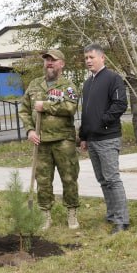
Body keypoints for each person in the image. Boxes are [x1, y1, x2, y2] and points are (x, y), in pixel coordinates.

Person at [19, 48, 81, 230]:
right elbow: (23, 109)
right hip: (41, 141)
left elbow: (70, 107)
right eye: (47, 60)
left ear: (61, 64)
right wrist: (30, 130)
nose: (49, 63)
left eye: (53, 60)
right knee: (43, 181)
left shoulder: (67, 86)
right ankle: (45, 214)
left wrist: (45, 105)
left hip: (64, 141)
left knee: (69, 178)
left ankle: (72, 212)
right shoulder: (34, 85)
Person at [78, 44, 130, 233]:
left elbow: (120, 104)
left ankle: (122, 220)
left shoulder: (113, 78)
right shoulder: (88, 83)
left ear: (102, 58)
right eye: (86, 58)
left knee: (112, 179)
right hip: (92, 140)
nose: (88, 61)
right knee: (102, 180)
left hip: (108, 138)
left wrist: (102, 122)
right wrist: (83, 136)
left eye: (91, 57)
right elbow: (85, 112)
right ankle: (112, 215)